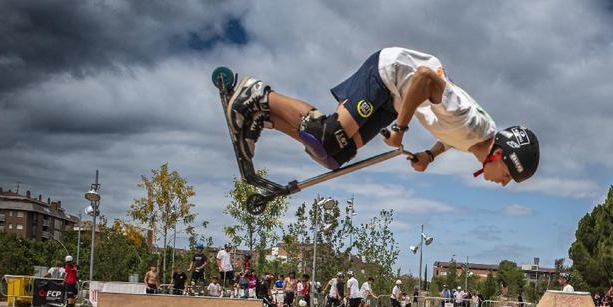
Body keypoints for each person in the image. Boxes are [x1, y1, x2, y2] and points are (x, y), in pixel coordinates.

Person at [225, 47, 539, 185]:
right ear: (498, 155)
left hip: (394, 98)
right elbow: (426, 78)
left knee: (335, 155)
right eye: (508, 175)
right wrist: (401, 128)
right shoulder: (470, 121)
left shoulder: (476, 141)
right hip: (390, 73)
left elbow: (451, 139)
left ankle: (262, 117)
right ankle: (259, 95)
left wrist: (429, 155)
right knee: (327, 135)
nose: (503, 183)